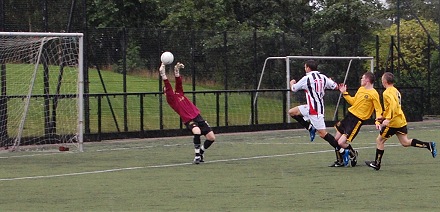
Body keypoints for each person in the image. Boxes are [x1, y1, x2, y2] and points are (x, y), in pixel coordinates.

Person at [365, 72, 437, 170]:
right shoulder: (395, 91)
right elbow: (392, 107)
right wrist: (383, 117)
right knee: (405, 142)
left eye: (382, 79)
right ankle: (428, 145)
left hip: (393, 123)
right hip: (401, 120)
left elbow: (393, 106)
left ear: (385, 81)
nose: (381, 81)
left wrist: (388, 119)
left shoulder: (387, 92)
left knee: (379, 140)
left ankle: (377, 164)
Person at [159, 62, 216, 164]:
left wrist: (176, 71)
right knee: (197, 132)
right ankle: (197, 156)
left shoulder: (179, 93)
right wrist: (163, 74)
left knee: (211, 138)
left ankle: (201, 152)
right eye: (166, 90)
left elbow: (178, 83)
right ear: (165, 93)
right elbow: (167, 85)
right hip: (188, 119)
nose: (168, 90)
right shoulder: (171, 99)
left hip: (197, 116)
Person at [289, 60, 341, 163]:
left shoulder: (307, 78)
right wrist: (326, 83)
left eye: (305, 67)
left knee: (322, 134)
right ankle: (310, 127)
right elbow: (335, 86)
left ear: (308, 68)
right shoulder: (323, 77)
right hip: (311, 107)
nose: (305, 69)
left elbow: (294, 88)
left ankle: (343, 150)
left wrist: (292, 83)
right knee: (291, 112)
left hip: (315, 110)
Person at [330, 72, 383, 167]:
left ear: (367, 80)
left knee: (341, 142)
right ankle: (340, 161)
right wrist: (344, 93)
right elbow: (354, 102)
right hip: (349, 116)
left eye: (362, 78)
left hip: (356, 120)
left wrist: (378, 121)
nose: (361, 80)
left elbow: (378, 109)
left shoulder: (374, 93)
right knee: (335, 140)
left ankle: (353, 154)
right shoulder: (361, 89)